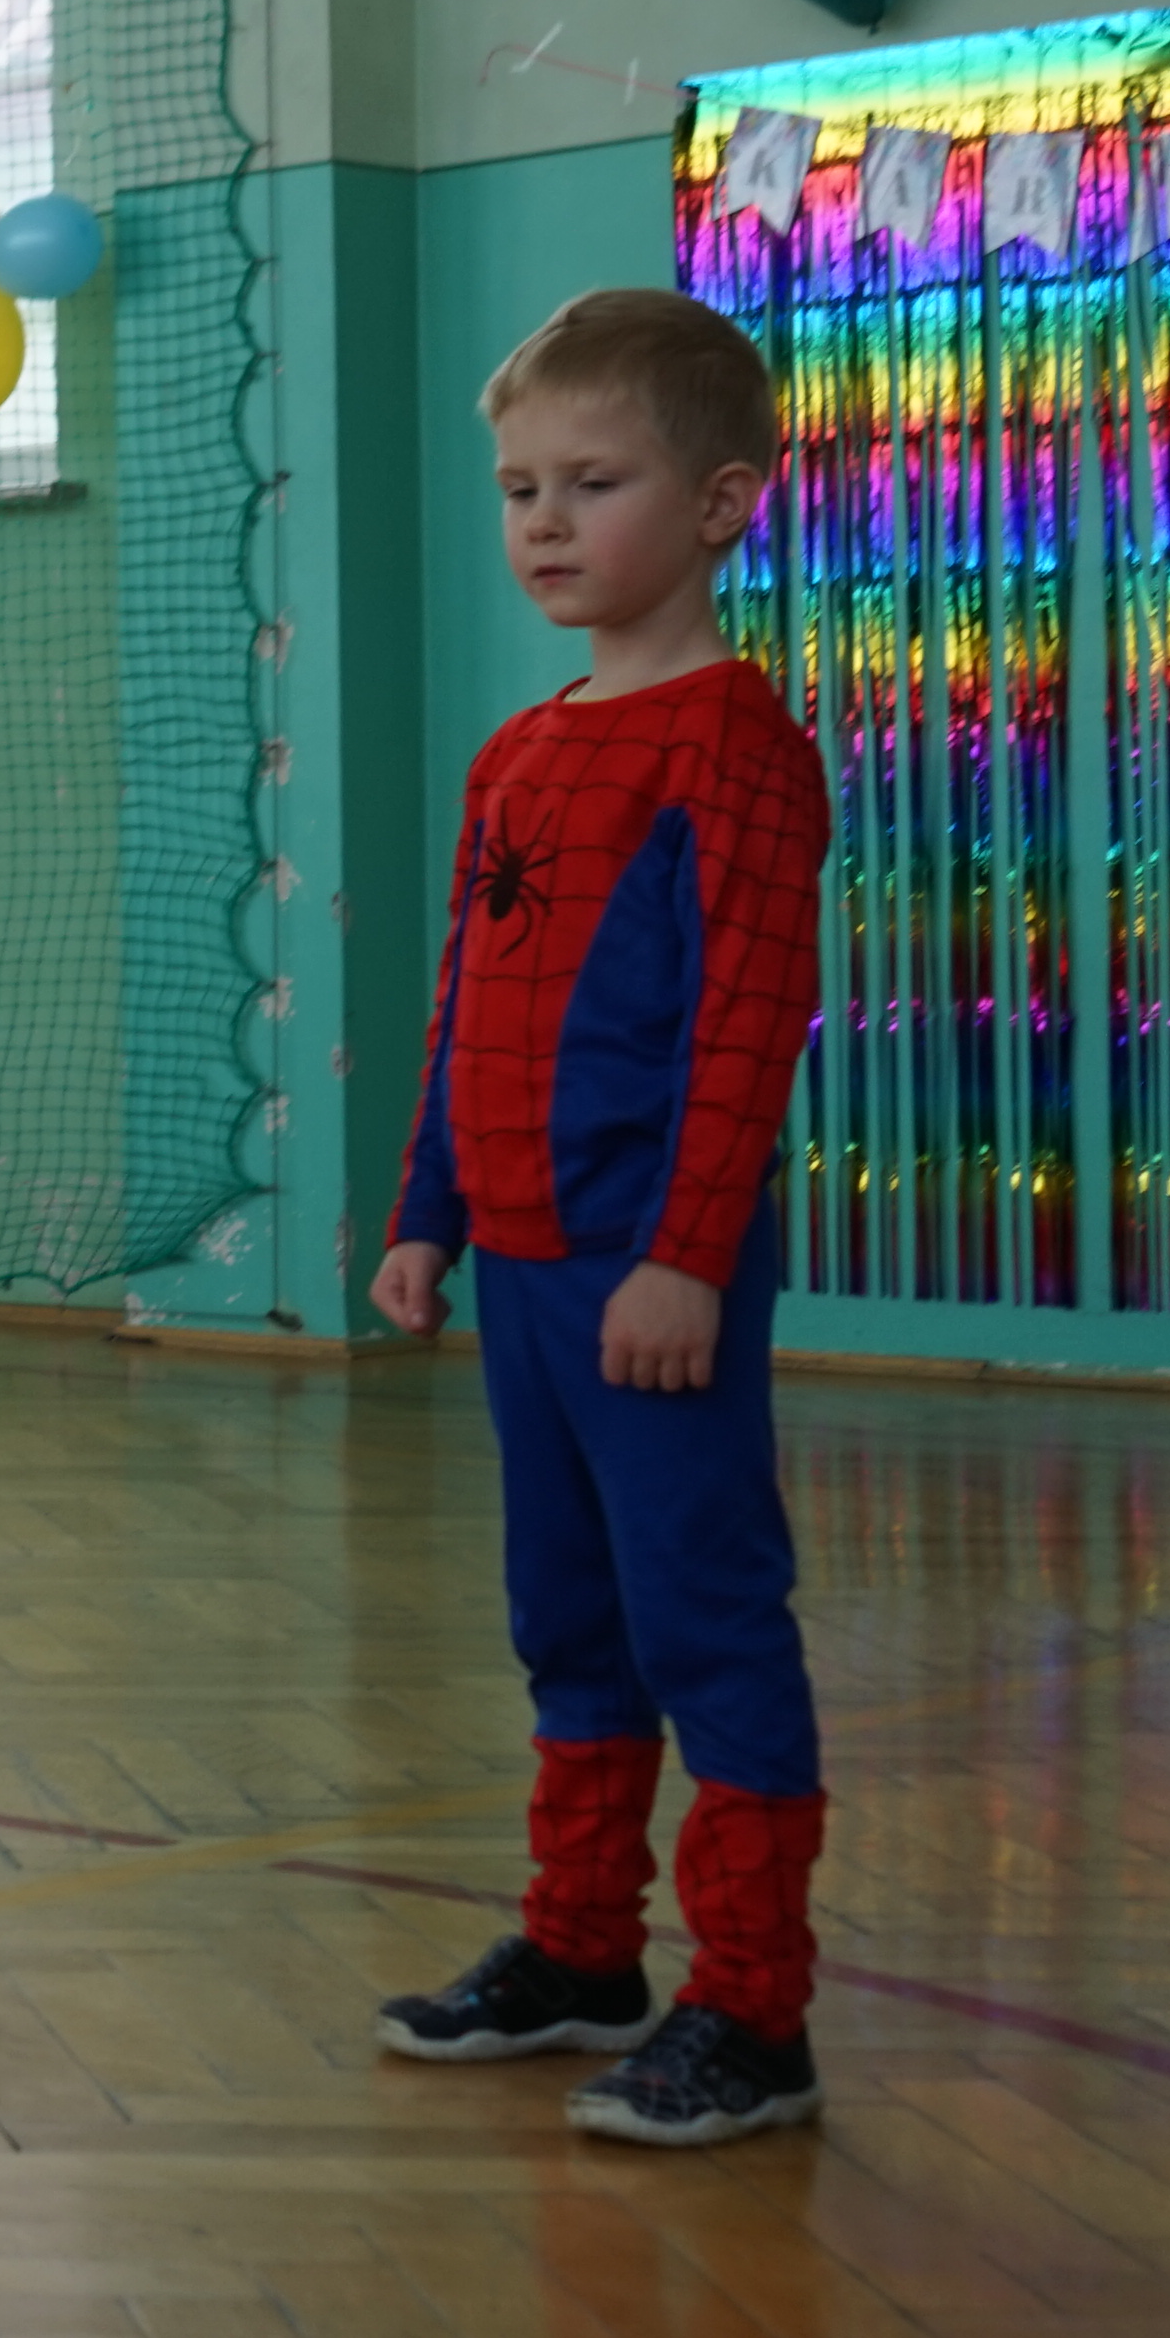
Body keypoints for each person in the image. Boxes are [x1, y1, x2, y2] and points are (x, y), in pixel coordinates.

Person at [369, 286, 837, 2152]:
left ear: (721, 503)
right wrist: (427, 1211)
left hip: (654, 1285)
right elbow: (465, 1007)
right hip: (530, 1276)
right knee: (567, 1614)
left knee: (703, 1617)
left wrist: (686, 1259)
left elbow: (747, 1028)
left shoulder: (737, 747)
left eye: (593, 482)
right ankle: (582, 1950)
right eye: (519, 489)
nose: (545, 522)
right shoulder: (516, 753)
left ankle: (757, 2010)